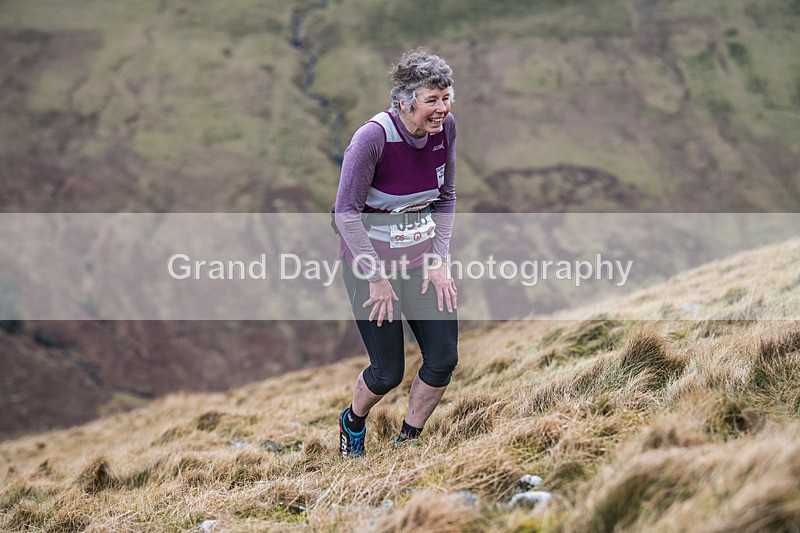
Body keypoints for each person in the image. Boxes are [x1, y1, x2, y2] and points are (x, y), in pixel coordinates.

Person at [334, 48, 459, 458]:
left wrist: (440, 260)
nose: (442, 109)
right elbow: (347, 214)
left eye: (446, 98)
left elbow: (446, 197)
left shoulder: (446, 129)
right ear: (405, 102)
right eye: (432, 100)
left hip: (421, 262)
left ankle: (408, 442)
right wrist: (376, 276)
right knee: (387, 372)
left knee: (442, 359)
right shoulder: (372, 138)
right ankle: (352, 422)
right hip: (371, 270)